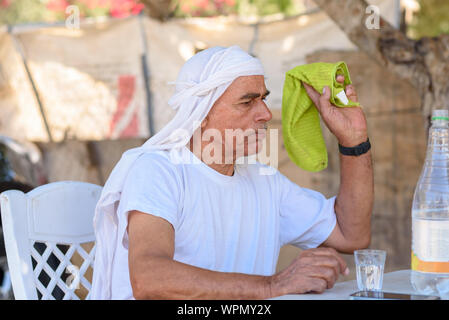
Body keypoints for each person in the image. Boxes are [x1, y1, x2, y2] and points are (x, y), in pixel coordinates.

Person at [91, 46, 373, 300]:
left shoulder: (265, 181)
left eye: (263, 99)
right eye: (247, 102)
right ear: (201, 113)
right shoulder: (159, 170)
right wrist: (272, 286)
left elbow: (351, 236)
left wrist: (354, 141)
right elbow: (149, 279)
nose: (264, 113)